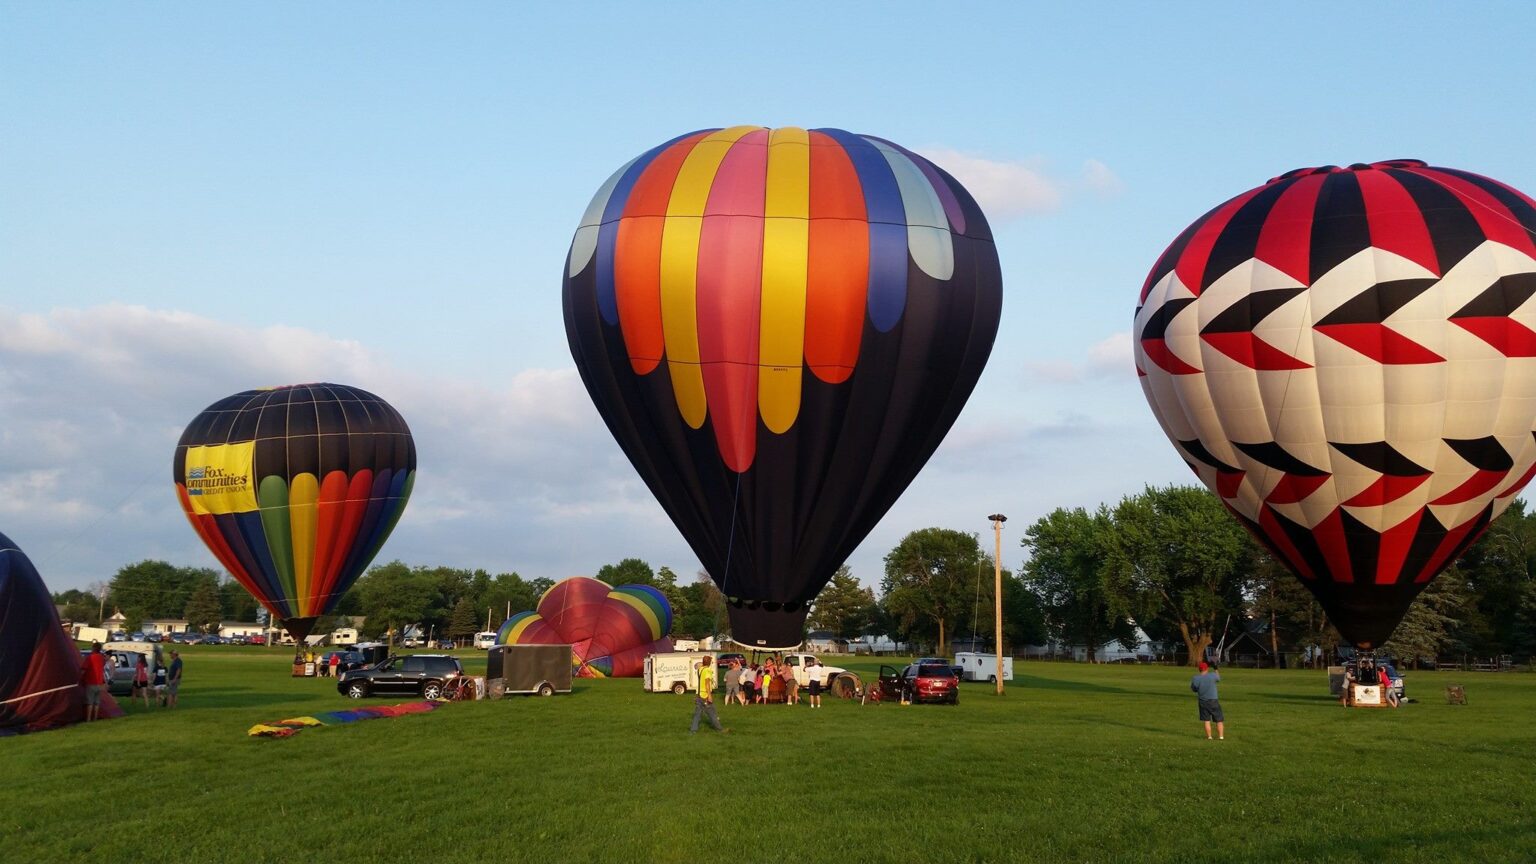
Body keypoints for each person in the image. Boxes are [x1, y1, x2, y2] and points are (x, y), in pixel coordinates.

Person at [689, 657, 726, 734]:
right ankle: (720, 729)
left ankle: (693, 730)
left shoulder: (700, 669)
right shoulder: (707, 670)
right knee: (712, 713)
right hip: (705, 695)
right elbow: (707, 683)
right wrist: (709, 695)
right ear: (709, 663)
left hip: (699, 694)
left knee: (697, 714)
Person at [1190, 660, 1224, 739]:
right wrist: (1215, 668)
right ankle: (1221, 736)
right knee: (1219, 720)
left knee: (1206, 720)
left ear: (1199, 669)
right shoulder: (1212, 675)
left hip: (1203, 701)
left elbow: (1194, 689)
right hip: (1213, 700)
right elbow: (1218, 678)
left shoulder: (1195, 678)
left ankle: (1209, 737)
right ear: (1207, 669)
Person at [80, 641, 107, 722]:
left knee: (90, 702)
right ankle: (95, 718)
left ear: (94, 648)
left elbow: (83, 669)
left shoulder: (90, 657)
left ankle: (88, 719)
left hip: (91, 682)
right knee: (97, 702)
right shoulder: (102, 657)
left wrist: (80, 678)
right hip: (100, 683)